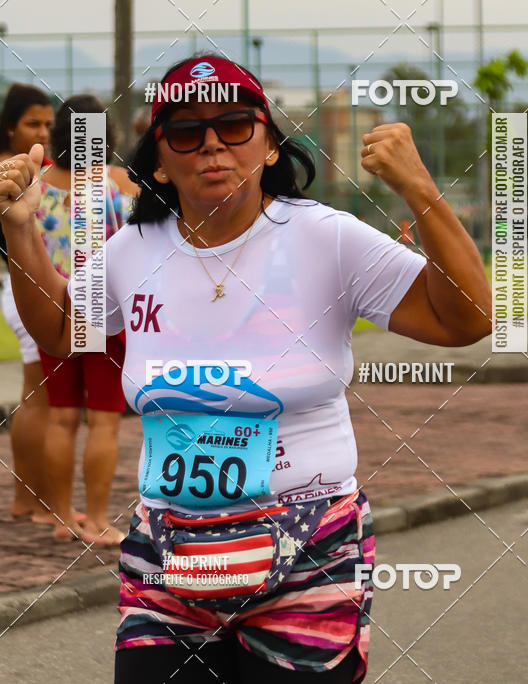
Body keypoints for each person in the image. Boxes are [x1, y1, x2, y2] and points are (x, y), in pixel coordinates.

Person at [0, 56, 491, 683]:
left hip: (308, 550)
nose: (211, 145)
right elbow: (65, 332)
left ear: (268, 147)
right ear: (157, 162)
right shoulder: (132, 251)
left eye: (234, 125)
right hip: (168, 552)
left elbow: (468, 319)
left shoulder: (325, 237)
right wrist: (21, 232)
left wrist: (420, 190)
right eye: (186, 132)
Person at [33, 94, 138, 544]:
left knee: (61, 416)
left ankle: (61, 518)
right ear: (104, 135)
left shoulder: (35, 184)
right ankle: (96, 520)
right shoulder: (114, 185)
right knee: (104, 419)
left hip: (49, 310)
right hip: (102, 311)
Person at [0, 82, 55, 523]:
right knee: (40, 398)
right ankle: (34, 503)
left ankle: (27, 499)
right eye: (32, 123)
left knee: (35, 395)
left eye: (49, 124)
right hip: (21, 289)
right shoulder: (11, 174)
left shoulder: (36, 170)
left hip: (30, 286)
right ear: (9, 127)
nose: (42, 132)